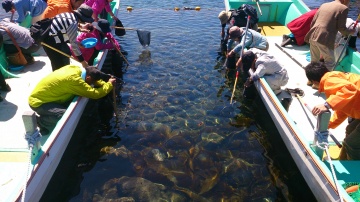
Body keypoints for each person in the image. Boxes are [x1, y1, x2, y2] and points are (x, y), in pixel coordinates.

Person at [28, 65, 116, 134]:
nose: (92, 84)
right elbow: (94, 94)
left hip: (51, 97)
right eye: (92, 82)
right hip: (39, 103)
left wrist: (104, 83)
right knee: (64, 115)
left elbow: (93, 81)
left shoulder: (76, 69)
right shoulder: (74, 80)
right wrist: (109, 85)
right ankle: (40, 121)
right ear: (88, 78)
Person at [305, 61, 360, 160]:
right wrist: (327, 125)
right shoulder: (334, 77)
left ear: (314, 81)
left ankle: (355, 167)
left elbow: (349, 89)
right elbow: (343, 108)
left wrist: (327, 104)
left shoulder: (328, 81)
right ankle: (343, 159)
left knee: (352, 143)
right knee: (349, 130)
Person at [304, 0, 354, 74]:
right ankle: (323, 81)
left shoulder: (324, 5)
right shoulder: (343, 8)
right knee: (330, 62)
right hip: (325, 38)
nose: (348, 2)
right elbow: (341, 28)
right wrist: (350, 32)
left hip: (313, 34)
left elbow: (313, 22)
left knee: (314, 61)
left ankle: (311, 80)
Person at [42, 4, 94, 71]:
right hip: (49, 41)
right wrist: (83, 62)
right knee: (59, 65)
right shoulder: (73, 23)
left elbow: (66, 27)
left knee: (66, 54)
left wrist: (79, 30)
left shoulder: (69, 15)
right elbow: (74, 46)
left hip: (54, 36)